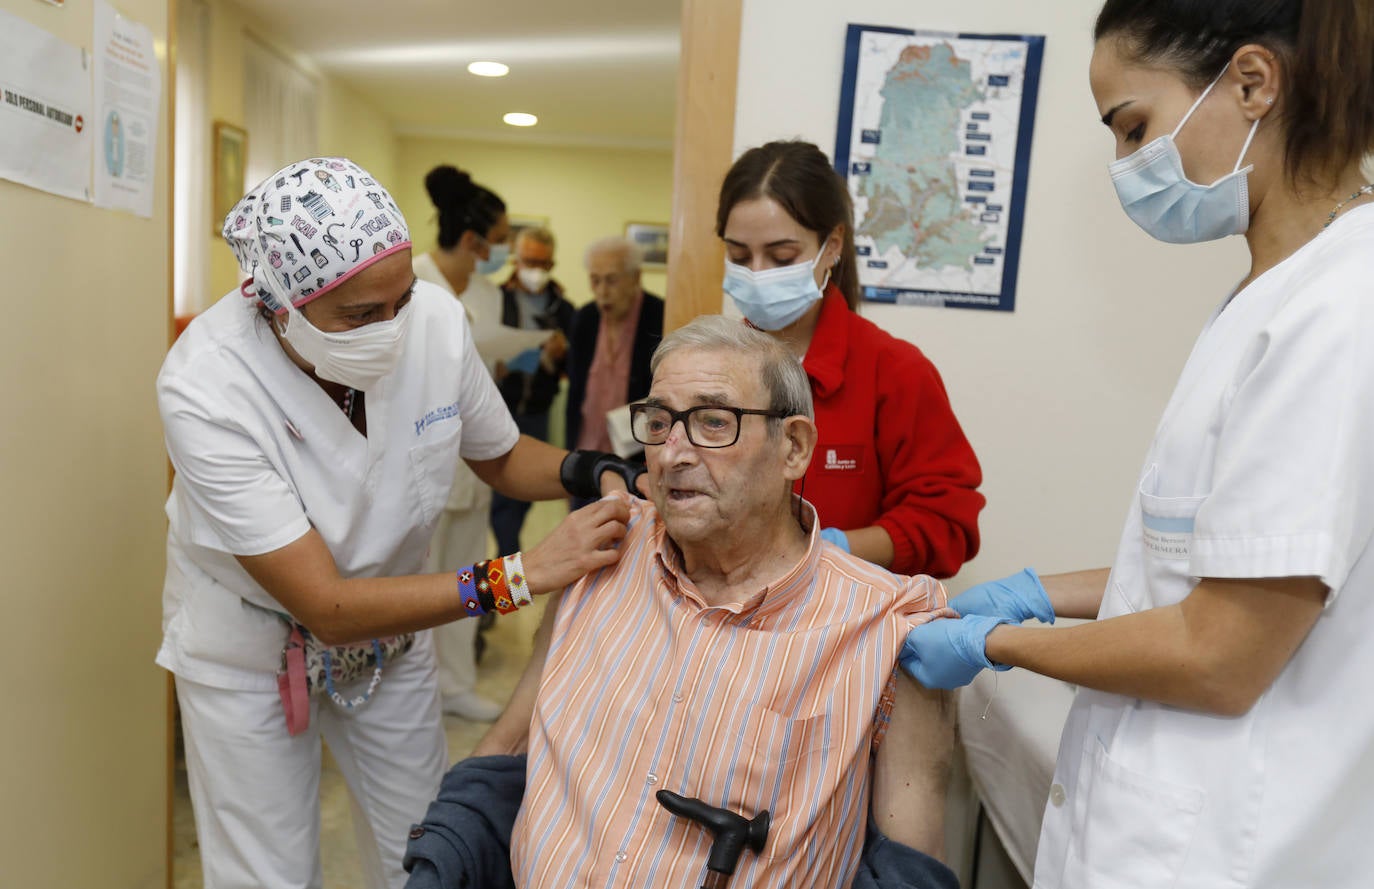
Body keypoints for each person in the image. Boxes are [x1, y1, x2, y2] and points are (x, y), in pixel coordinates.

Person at [900, 3, 1374, 887]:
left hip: (1234, 844)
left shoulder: (1339, 312)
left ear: (1252, 82)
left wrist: (1000, 642)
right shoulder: (1269, 294)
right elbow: (1221, 558)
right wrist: (1049, 590)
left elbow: (1221, 652)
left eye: (1134, 128)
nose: (1128, 168)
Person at [156, 156, 637, 889]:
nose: (390, 329)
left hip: (392, 638)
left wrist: (588, 468)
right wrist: (523, 573)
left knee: (427, 846)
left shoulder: (435, 323)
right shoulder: (207, 385)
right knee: (269, 874)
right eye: (358, 315)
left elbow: (502, 455)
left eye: (400, 300)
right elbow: (326, 605)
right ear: (279, 303)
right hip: (255, 647)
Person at [403, 316, 961, 889]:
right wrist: (445, 858)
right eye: (660, 422)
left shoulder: (887, 624)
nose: (672, 454)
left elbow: (910, 869)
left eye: (713, 422)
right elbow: (509, 745)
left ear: (794, 447)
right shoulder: (602, 552)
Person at [716, 141, 984, 578]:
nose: (759, 275)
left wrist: (829, 549)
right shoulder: (710, 367)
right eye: (740, 257)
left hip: (849, 623)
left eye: (782, 257)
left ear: (833, 245)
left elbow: (947, 524)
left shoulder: (894, 371)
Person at [411, 163, 512, 721]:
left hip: (477, 457)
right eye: (495, 243)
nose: (497, 254)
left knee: (471, 575)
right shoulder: (411, 281)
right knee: (424, 584)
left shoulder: (487, 294)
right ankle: (420, 687)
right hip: (423, 458)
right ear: (471, 239)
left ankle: (457, 682)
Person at [491, 226, 576, 554]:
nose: (535, 271)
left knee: (523, 491)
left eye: (543, 264)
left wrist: (559, 355)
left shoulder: (564, 308)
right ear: (516, 259)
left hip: (538, 410)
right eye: (529, 262)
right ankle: (506, 556)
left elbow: (575, 366)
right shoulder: (497, 299)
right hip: (499, 407)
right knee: (500, 494)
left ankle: (506, 556)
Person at [564, 236, 665, 505]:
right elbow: (575, 394)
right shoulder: (585, 318)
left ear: (635, 278)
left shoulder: (660, 316)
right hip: (587, 456)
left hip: (634, 463)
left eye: (611, 280)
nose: (602, 291)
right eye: (595, 280)